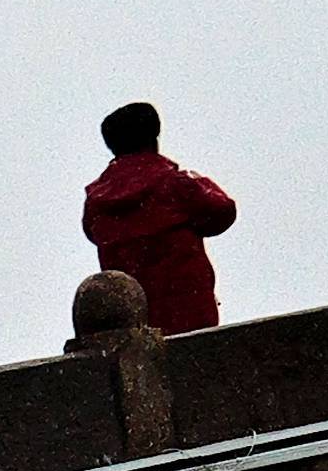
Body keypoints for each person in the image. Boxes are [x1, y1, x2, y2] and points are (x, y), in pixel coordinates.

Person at [78, 101, 238, 333]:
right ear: (154, 136)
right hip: (189, 318)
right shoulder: (173, 185)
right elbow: (222, 211)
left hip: (133, 325)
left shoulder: (97, 201)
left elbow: (92, 233)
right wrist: (197, 179)